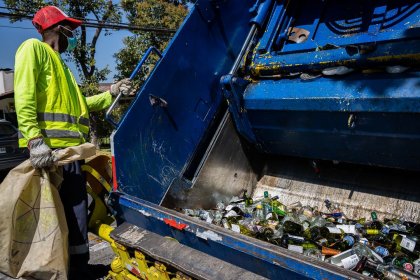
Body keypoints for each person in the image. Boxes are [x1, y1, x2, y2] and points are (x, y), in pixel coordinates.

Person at [13, 6, 133, 279]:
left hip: (68, 154)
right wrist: (34, 140)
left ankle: (78, 269)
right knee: (51, 219)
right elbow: (24, 95)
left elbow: (81, 105)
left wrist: (112, 92)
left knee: (75, 215)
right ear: (58, 27)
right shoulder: (34, 49)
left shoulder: (63, 68)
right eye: (72, 29)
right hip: (50, 154)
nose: (74, 34)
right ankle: (53, 271)